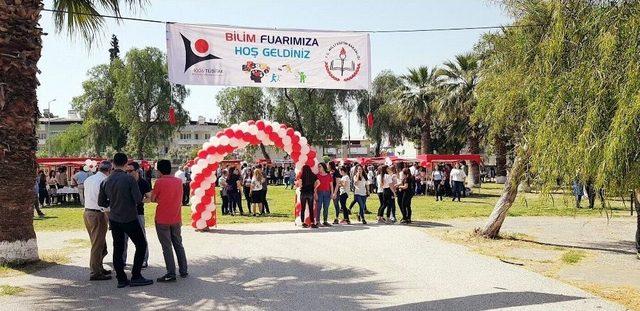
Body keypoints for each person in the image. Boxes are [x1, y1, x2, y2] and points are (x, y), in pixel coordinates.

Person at [98, 152, 153, 288]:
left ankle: (121, 279)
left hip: (114, 219)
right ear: (125, 164)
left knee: (118, 247)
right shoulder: (129, 179)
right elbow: (138, 199)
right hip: (129, 217)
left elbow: (101, 202)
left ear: (113, 164)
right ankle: (136, 275)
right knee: (141, 245)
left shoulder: (106, 180)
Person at [146, 159, 188, 282]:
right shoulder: (178, 181)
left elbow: (153, 198)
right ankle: (183, 269)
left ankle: (171, 272)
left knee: (167, 246)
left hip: (162, 218)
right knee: (178, 244)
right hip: (176, 216)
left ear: (159, 170)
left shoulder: (159, 182)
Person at [83, 161, 112, 281]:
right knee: (98, 244)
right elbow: (104, 201)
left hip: (87, 212)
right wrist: (109, 217)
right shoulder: (104, 181)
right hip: (98, 213)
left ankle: (98, 267)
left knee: (98, 242)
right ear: (109, 170)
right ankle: (95, 271)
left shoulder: (89, 179)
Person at [122, 162, 151, 268]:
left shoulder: (144, 183)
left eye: (130, 171)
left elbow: (149, 198)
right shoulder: (124, 181)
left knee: (141, 238)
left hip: (139, 214)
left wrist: (139, 201)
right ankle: (122, 260)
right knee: (123, 238)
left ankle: (144, 260)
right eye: (127, 171)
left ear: (138, 171)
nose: (128, 173)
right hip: (125, 214)